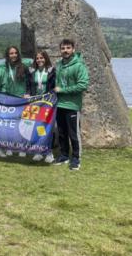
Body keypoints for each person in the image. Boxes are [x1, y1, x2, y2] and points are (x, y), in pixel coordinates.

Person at [53, 39, 89, 171]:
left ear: (73, 49)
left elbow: (83, 85)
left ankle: (76, 158)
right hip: (59, 105)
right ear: (60, 50)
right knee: (61, 133)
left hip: (72, 105)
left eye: (68, 48)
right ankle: (64, 155)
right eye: (63, 48)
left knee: (74, 134)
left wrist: (62, 90)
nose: (65, 50)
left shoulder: (79, 65)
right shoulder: (58, 65)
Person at [26, 50, 56, 163]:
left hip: (47, 104)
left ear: (46, 58)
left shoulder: (52, 71)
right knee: (36, 127)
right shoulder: (32, 71)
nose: (39, 60)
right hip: (35, 103)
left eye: (41, 58)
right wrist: (27, 93)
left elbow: (54, 86)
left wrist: (52, 95)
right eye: (37, 58)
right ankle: (39, 151)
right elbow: (28, 85)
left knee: (47, 128)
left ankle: (49, 152)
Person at [1, 46, 30, 157]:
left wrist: (27, 93)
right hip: (9, 99)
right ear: (8, 55)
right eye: (11, 53)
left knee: (22, 124)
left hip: (21, 99)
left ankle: (22, 147)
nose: (13, 55)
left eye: (15, 53)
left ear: (18, 54)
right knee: (10, 124)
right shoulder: (5, 67)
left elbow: (29, 81)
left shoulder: (23, 66)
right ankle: (9, 146)